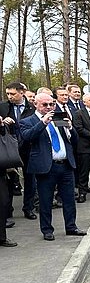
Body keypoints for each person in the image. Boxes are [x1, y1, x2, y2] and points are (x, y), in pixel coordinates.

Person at [19, 93, 87, 241]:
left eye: (52, 104)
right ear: (35, 104)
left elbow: (74, 141)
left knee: (69, 199)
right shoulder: (28, 121)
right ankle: (47, 230)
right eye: (45, 105)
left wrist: (70, 128)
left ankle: (71, 226)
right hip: (46, 167)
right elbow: (28, 137)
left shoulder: (58, 118)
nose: (49, 107)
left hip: (65, 164)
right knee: (46, 201)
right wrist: (43, 122)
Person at [1, 81, 35, 223]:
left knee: (30, 180)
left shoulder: (32, 108)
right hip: (10, 149)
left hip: (29, 148)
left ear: (22, 92)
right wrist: (3, 122)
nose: (10, 96)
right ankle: (8, 212)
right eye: (8, 94)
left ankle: (28, 208)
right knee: (8, 181)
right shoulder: (3, 107)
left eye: (13, 94)